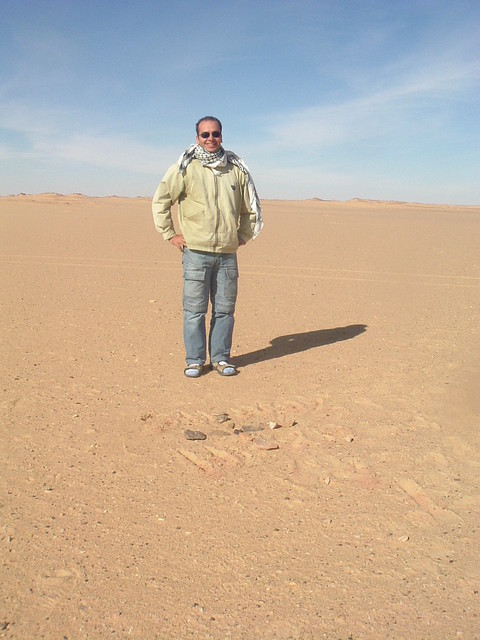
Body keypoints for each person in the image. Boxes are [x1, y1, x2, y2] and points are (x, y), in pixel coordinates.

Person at [152, 116, 263, 378]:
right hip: (196, 254)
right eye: (205, 135)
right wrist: (170, 234)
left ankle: (221, 359)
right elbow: (162, 200)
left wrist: (243, 236)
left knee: (225, 311)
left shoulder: (236, 170)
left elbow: (250, 208)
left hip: (226, 255)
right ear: (197, 137)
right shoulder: (185, 167)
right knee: (194, 311)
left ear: (222, 136)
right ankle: (194, 360)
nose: (210, 139)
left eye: (215, 134)